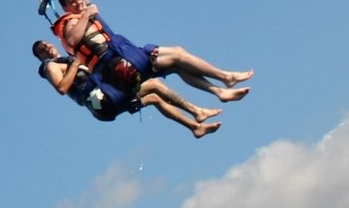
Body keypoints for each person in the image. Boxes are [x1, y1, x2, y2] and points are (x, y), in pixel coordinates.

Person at [51, 0, 252, 102]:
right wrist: (87, 13)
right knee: (178, 55)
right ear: (65, 7)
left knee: (176, 63)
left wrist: (88, 10)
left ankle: (220, 91)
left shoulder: (85, 14)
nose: (79, 3)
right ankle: (227, 78)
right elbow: (72, 40)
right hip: (116, 64)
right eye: (73, 2)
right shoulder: (69, 21)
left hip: (124, 56)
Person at [32, 40, 222, 138]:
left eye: (46, 44)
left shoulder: (66, 59)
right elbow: (62, 88)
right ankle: (197, 112)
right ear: (40, 58)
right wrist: (75, 65)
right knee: (155, 85)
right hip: (104, 100)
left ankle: (195, 127)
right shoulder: (51, 66)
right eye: (42, 50)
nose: (47, 47)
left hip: (105, 106)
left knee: (154, 97)